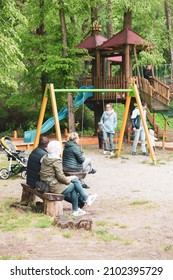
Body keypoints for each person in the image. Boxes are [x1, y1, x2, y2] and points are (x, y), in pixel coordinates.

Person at [40, 140, 97, 217]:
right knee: (73, 184)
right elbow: (60, 177)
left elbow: (56, 175)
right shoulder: (56, 160)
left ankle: (83, 202)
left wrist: (70, 179)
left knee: (74, 180)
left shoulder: (46, 157)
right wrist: (68, 180)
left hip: (45, 184)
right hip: (52, 186)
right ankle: (79, 205)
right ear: (57, 150)